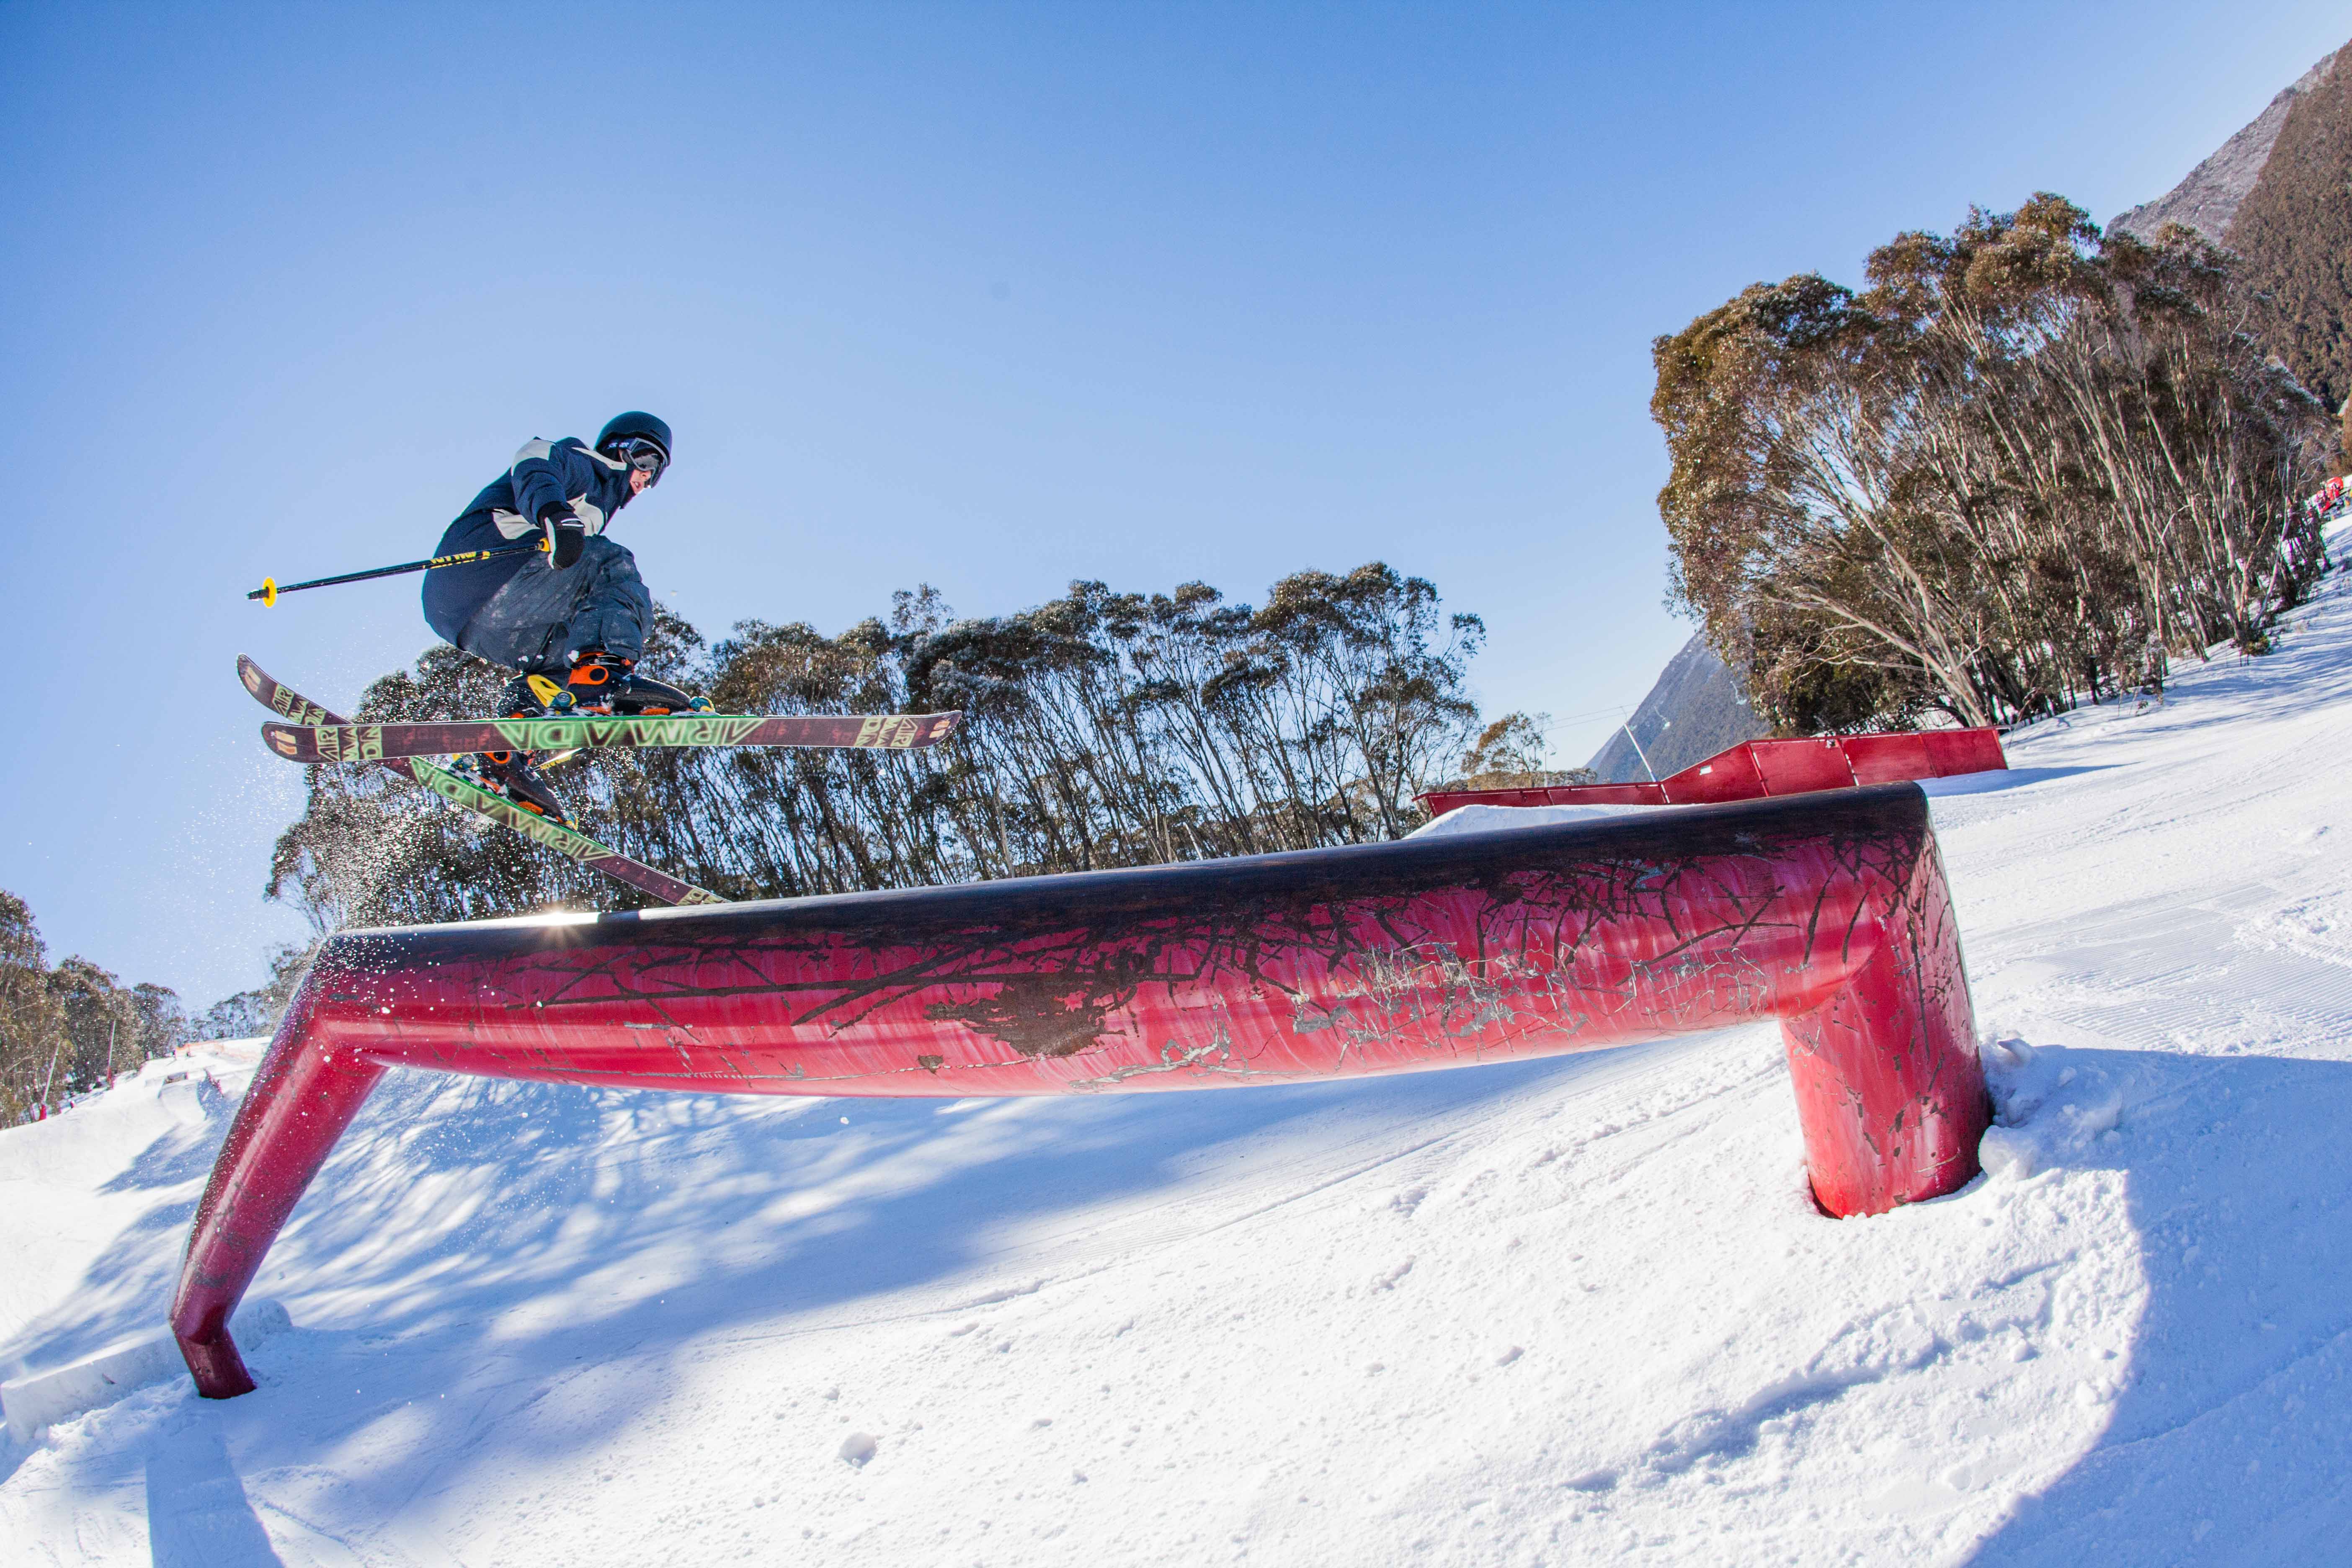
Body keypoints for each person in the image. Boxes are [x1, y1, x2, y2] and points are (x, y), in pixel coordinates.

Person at [422, 411, 709, 822]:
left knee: (564, 662)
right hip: (485, 575)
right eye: (647, 462)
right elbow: (533, 460)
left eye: (658, 474)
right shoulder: (590, 469)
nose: (648, 478)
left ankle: (503, 755)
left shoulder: (598, 507)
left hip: (475, 619)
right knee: (613, 566)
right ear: (620, 450)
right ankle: (601, 683)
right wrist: (554, 513)